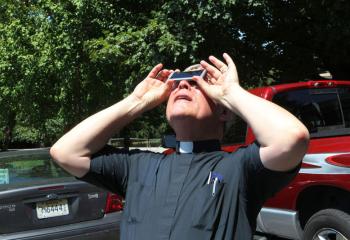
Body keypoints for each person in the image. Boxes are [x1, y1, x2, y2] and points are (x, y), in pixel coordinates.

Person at [50, 53, 309, 239]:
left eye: (197, 82)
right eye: (177, 83)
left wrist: (231, 92)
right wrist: (136, 101)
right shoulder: (138, 165)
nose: (183, 84)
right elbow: (65, 152)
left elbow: (291, 138)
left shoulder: (239, 168)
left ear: (224, 112)